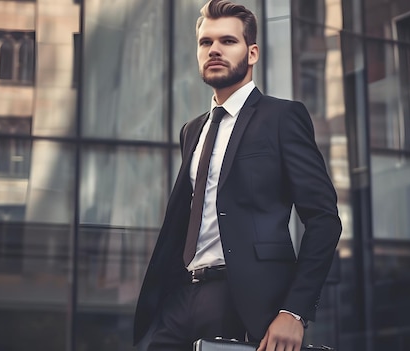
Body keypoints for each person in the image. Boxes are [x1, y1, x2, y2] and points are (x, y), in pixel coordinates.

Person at [133, 1, 342, 350]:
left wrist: (294, 312)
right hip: (180, 297)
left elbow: (324, 219)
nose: (214, 49)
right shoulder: (192, 130)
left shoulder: (282, 118)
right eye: (205, 42)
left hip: (244, 299)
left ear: (252, 52)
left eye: (228, 41)